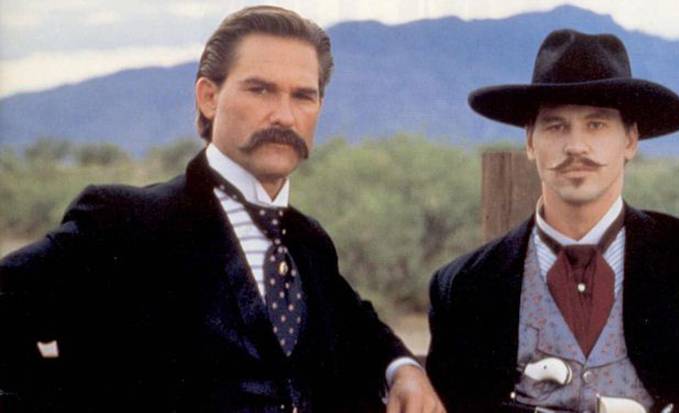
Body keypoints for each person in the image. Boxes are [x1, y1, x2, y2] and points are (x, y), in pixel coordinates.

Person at [0, 6, 444, 413]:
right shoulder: (122, 223)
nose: (284, 116)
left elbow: (356, 324)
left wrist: (402, 367)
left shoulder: (309, 243)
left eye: (302, 96)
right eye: (261, 90)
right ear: (208, 97)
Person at [426, 29, 679, 413]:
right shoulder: (464, 287)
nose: (576, 145)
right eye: (555, 125)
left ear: (630, 140)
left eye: (596, 124)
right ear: (530, 142)